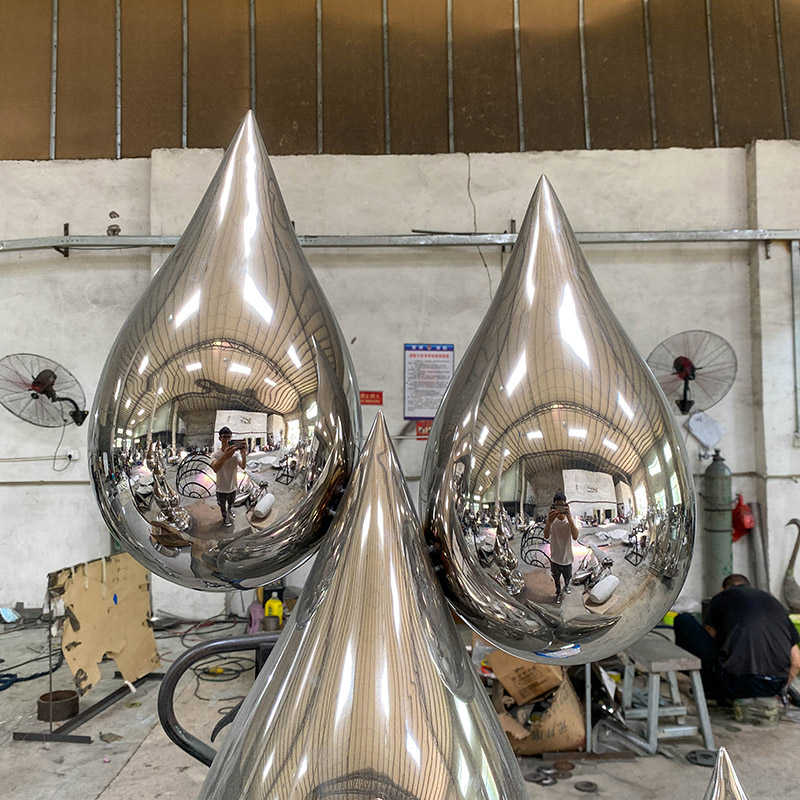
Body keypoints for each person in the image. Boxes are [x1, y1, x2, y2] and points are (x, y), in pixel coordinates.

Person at [674, 574, 800, 701]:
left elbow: (710, 636)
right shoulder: (774, 603)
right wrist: (781, 689)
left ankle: (707, 687)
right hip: (773, 686)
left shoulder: (722, 597)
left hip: (736, 684)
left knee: (684, 620)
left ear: (723, 589)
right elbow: (796, 662)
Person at [543, 491, 579, 602]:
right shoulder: (552, 520)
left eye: (562, 505)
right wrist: (549, 521)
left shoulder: (569, 520)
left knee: (568, 577)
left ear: (565, 505)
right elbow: (546, 536)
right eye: (557, 505)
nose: (560, 508)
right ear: (553, 506)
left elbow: (575, 537)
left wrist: (570, 517)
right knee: (556, 578)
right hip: (555, 559)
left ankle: (567, 585)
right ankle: (558, 592)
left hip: (567, 558)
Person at [211, 426, 246, 527]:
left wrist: (244, 454)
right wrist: (225, 456)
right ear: (220, 438)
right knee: (222, 505)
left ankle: (229, 511)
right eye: (225, 437)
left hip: (233, 486)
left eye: (229, 437)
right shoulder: (215, 455)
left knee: (231, 503)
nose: (227, 440)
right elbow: (215, 468)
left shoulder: (236, 454)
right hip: (221, 488)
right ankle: (224, 517)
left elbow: (243, 466)